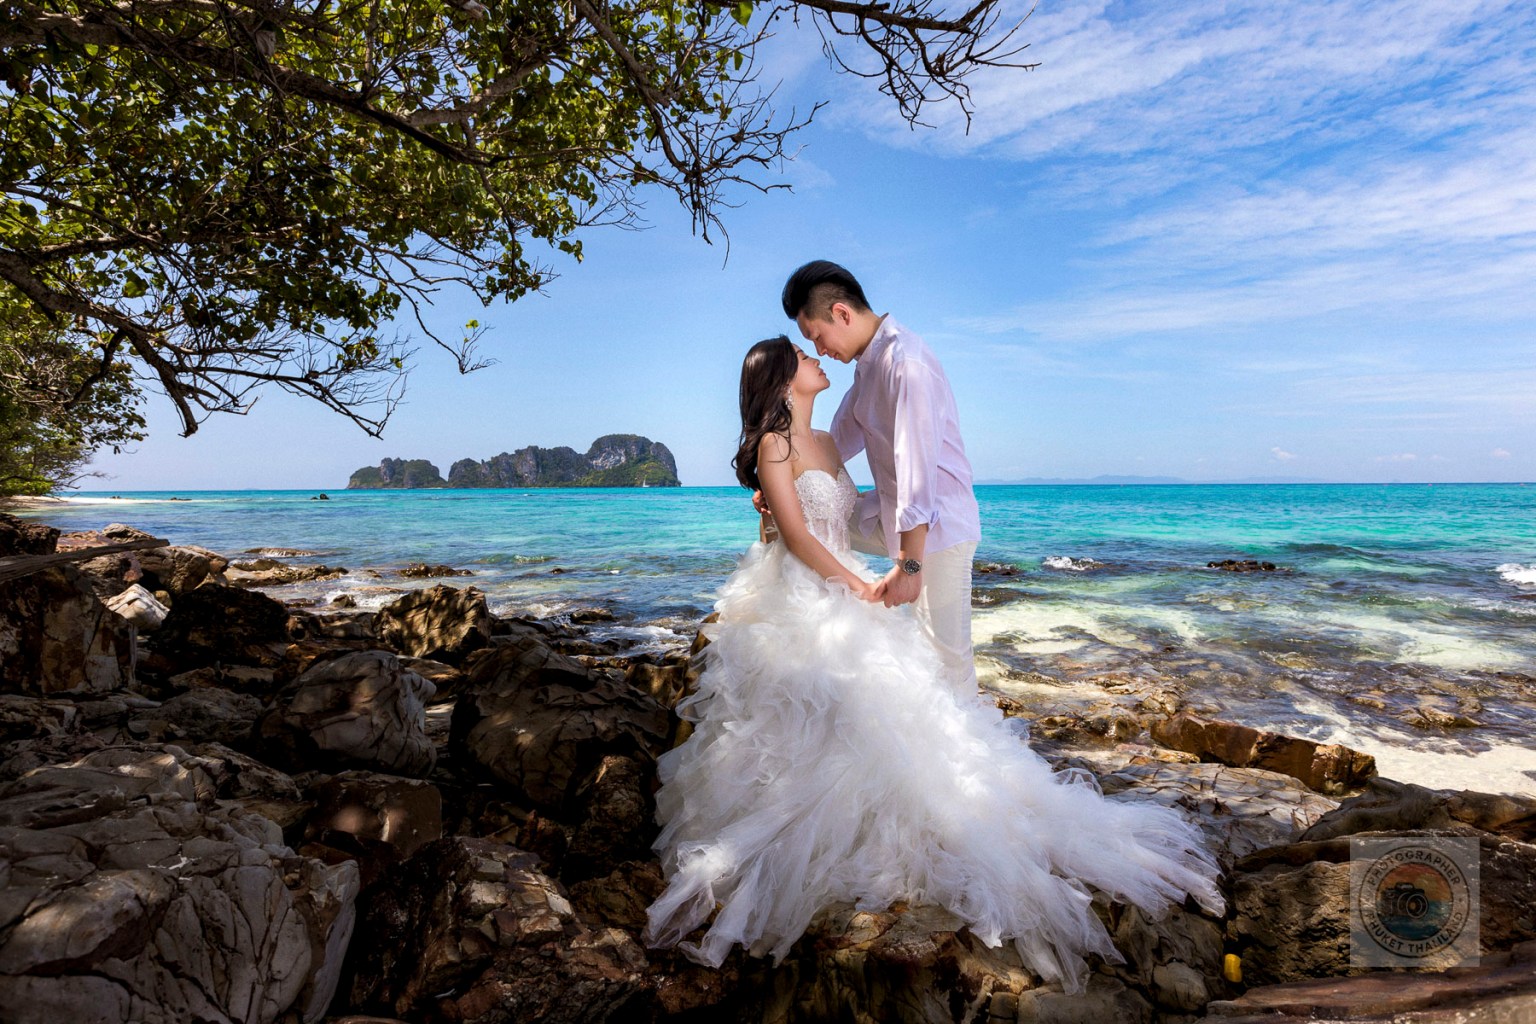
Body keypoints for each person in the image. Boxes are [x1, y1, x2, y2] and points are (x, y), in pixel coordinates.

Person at [643, 336, 1223, 993]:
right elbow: (799, 537)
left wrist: (914, 549)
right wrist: (855, 582)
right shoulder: (775, 446)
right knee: (817, 716)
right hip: (804, 593)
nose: (818, 360)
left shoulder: (830, 445)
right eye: (804, 359)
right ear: (781, 381)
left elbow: (853, 513)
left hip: (843, 580)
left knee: (910, 718)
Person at [779, 260, 981, 697]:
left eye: (817, 336)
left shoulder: (905, 363)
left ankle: (965, 763)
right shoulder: (869, 365)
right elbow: (836, 440)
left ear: (842, 314)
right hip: (893, 519)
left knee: (948, 661)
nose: (820, 349)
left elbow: (917, 472)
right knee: (799, 522)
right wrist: (782, 480)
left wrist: (910, 566)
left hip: (937, 531)